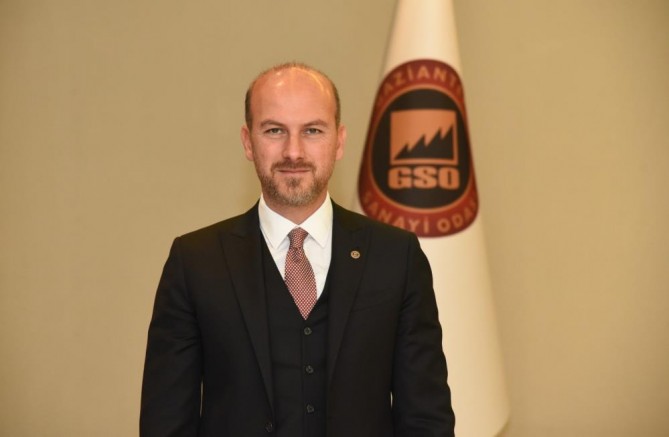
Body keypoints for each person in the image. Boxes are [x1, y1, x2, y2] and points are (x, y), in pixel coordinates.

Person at [140, 62, 455, 437]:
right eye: (274, 130)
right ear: (248, 142)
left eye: (312, 130)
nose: (293, 151)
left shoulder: (396, 257)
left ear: (339, 141)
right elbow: (166, 423)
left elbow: (426, 419)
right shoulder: (195, 263)